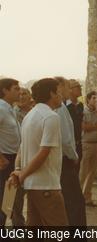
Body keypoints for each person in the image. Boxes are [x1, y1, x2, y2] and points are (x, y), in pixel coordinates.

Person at [10, 78, 68, 226]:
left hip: (32, 185)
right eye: (59, 93)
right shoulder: (51, 117)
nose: (61, 96)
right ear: (52, 94)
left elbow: (22, 148)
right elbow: (43, 153)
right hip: (46, 185)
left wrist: (18, 170)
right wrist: (21, 175)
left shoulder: (29, 116)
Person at [55, 77, 86, 226]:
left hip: (62, 158)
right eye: (68, 87)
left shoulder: (71, 107)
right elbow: (66, 139)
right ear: (60, 87)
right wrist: (74, 156)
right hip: (65, 159)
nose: (69, 90)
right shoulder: (60, 108)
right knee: (74, 201)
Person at [0, 78, 21, 225]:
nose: (19, 91)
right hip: (4, 160)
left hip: (12, 159)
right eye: (16, 88)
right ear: (5, 90)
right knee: (3, 198)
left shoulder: (10, 108)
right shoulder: (1, 108)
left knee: (8, 200)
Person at [12, 87, 33, 227]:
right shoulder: (13, 113)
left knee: (32, 193)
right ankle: (18, 225)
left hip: (31, 156)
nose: (21, 97)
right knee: (16, 196)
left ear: (30, 96)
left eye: (24, 94)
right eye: (18, 94)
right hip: (17, 157)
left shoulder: (34, 112)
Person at [80, 91, 97, 207]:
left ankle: (87, 197)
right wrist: (96, 126)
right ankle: (79, 197)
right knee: (83, 172)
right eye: (94, 98)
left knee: (92, 172)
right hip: (87, 144)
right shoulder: (83, 111)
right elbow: (85, 127)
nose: (96, 100)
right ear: (88, 99)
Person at [66, 79, 84, 175]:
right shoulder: (64, 106)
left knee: (76, 171)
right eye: (77, 87)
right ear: (70, 90)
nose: (80, 89)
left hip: (78, 143)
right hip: (68, 144)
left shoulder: (81, 105)